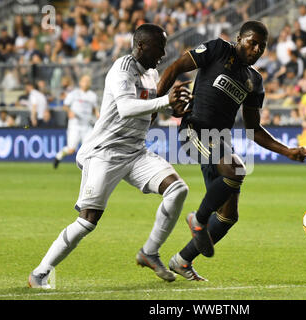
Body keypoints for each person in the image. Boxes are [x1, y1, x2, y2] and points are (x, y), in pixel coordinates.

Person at [28, 23, 192, 289]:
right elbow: (126, 108)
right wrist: (165, 102)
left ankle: (149, 252)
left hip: (135, 152)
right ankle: (40, 273)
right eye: (159, 47)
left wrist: (175, 108)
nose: (163, 53)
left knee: (177, 189)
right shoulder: (122, 69)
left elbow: (148, 112)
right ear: (141, 45)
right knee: (87, 221)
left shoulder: (151, 73)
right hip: (106, 152)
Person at [156, 20, 306, 281]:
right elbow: (174, 67)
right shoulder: (217, 49)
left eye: (262, 46)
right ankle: (198, 219)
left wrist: (287, 152)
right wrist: (153, 106)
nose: (257, 49)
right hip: (195, 130)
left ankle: (182, 261)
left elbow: (254, 129)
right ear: (240, 39)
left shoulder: (254, 81)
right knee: (236, 169)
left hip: (220, 143)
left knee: (229, 215)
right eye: (252, 43)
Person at [53, 75, 99, 169]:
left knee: (90, 148)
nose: (86, 83)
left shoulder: (92, 96)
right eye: (84, 81)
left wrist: (98, 115)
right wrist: (70, 112)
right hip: (75, 125)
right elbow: (65, 106)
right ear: (80, 83)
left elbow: (94, 109)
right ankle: (58, 156)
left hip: (86, 126)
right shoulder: (74, 94)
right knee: (71, 150)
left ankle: (88, 168)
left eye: (88, 81)